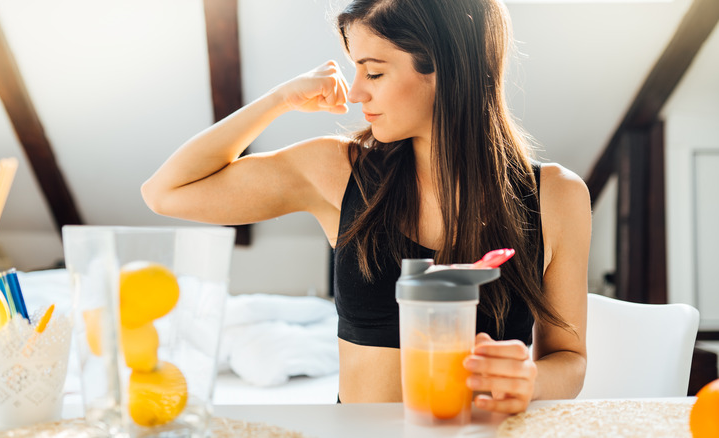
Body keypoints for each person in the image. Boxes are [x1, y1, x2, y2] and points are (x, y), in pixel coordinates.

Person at [141, 0, 590, 414]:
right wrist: (281, 99)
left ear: (448, 71)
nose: (355, 93)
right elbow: (167, 192)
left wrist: (529, 378)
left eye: (373, 73)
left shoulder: (557, 196)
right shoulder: (335, 171)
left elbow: (568, 361)